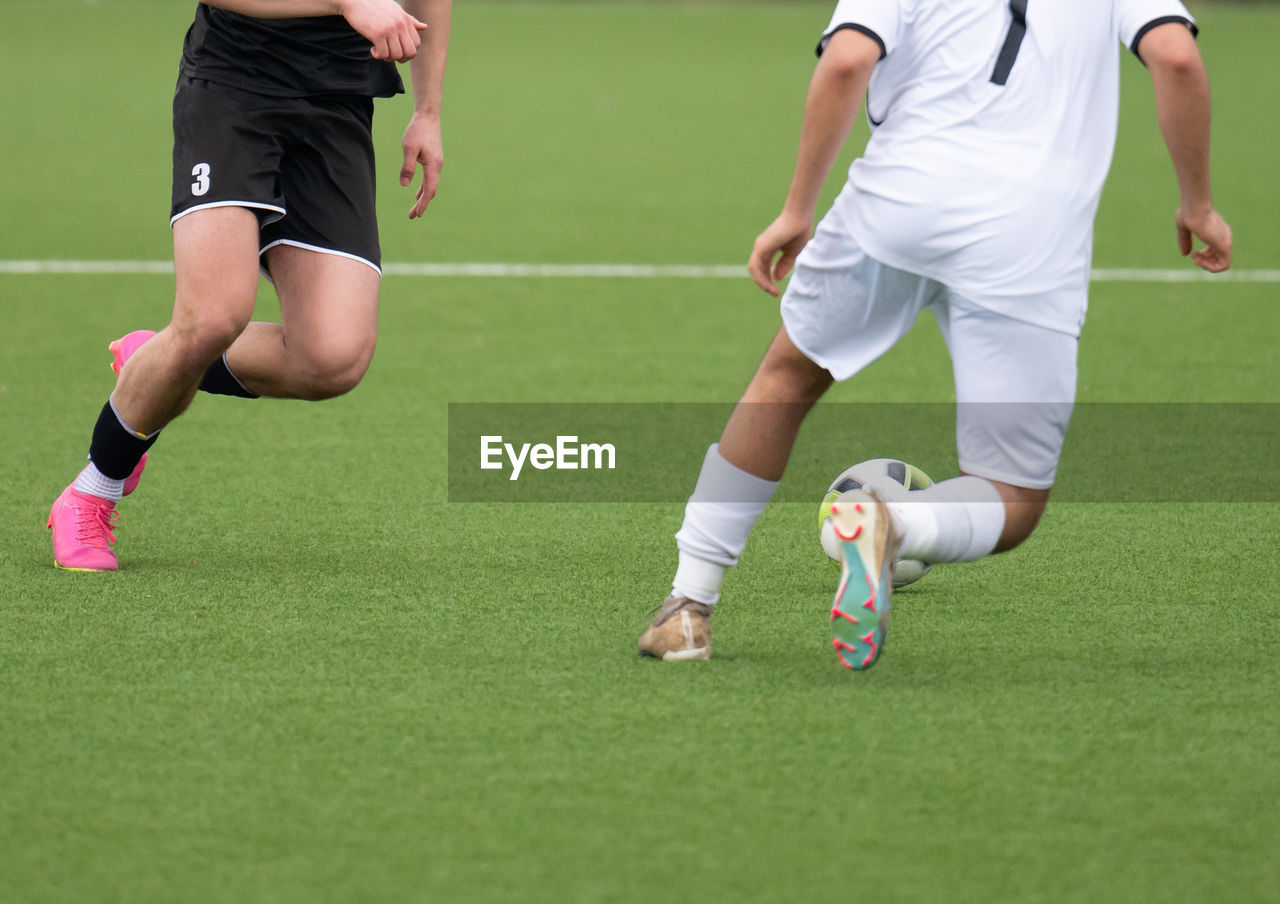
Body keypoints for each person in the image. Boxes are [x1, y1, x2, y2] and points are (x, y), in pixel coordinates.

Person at [638, 0, 1232, 668]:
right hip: (1030, 231)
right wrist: (1198, 204)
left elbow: (848, 60)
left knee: (788, 377)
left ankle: (686, 610)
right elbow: (1176, 57)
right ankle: (896, 523)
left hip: (899, 202)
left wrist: (797, 209)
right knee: (1012, 494)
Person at [47, 0, 451, 571]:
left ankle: (162, 360)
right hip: (233, 89)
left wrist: (427, 110)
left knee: (331, 358)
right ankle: (92, 491)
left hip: (337, 101)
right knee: (214, 316)